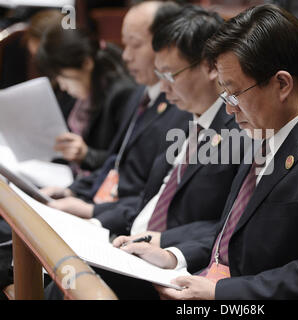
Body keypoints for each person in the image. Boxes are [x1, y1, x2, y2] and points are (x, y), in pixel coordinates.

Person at [115, 4, 298, 300]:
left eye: (234, 93)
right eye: (224, 94)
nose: (229, 109)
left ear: (282, 84)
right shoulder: (263, 128)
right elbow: (231, 235)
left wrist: (220, 293)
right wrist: (174, 256)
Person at [40, 2, 191, 232]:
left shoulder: (181, 110)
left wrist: (93, 212)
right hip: (102, 207)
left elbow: (152, 196)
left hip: (122, 225)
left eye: (136, 45)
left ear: (167, 46)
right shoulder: (139, 94)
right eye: (125, 44)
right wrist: (72, 190)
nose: (126, 55)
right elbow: (114, 163)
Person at [36, 25, 136, 173]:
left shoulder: (121, 94)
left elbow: (127, 161)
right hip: (74, 178)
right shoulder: (82, 89)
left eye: (65, 77)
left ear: (87, 63)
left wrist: (86, 155)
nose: (63, 86)